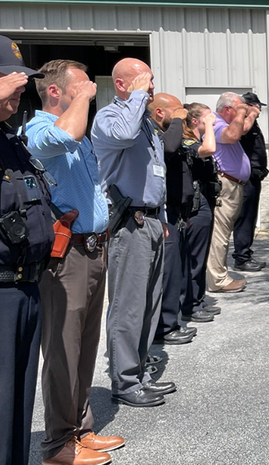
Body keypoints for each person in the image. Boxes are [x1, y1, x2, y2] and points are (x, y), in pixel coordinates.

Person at [25, 60, 122, 465]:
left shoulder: (77, 133)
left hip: (93, 248)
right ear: (55, 92)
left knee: (83, 347)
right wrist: (81, 98)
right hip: (67, 257)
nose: (90, 93)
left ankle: (80, 429)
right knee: (63, 349)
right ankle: (57, 445)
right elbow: (65, 136)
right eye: (80, 87)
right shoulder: (39, 129)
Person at [91, 58, 175, 408]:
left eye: (151, 82)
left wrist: (164, 217)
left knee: (148, 305)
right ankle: (124, 381)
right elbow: (122, 136)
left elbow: (157, 174)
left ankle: (138, 373)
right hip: (130, 223)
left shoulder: (144, 125)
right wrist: (137, 97)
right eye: (145, 81)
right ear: (123, 85)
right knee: (128, 305)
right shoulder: (110, 118)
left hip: (152, 222)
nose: (151, 88)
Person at [0, 41, 55, 465]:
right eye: (8, 77)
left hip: (26, 288)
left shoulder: (11, 140)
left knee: (17, 402)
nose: (20, 87)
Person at [150, 93, 206, 347]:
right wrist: (177, 121)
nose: (182, 115)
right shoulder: (162, 136)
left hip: (180, 212)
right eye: (177, 111)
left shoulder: (173, 135)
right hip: (165, 212)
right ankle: (164, 327)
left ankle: (172, 321)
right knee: (168, 272)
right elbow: (168, 148)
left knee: (177, 269)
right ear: (161, 113)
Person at [207, 92, 258, 293]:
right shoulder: (216, 124)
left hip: (234, 185)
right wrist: (245, 112)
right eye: (238, 110)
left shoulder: (225, 123)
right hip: (225, 185)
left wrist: (249, 114)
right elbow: (234, 135)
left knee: (224, 232)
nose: (242, 115)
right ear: (228, 109)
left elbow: (241, 129)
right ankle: (218, 280)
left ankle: (219, 275)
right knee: (219, 235)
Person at [180, 103, 222, 322]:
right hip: (196, 206)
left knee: (201, 254)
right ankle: (190, 305)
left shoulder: (197, 141)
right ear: (195, 121)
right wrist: (209, 126)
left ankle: (198, 299)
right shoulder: (188, 142)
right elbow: (209, 150)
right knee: (194, 256)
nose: (213, 121)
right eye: (208, 118)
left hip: (206, 199)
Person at [232, 92, 269, 272]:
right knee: (244, 218)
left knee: (250, 217)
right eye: (257, 106)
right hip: (246, 178)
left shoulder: (251, 121)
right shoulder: (244, 121)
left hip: (254, 177)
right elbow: (243, 130)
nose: (259, 110)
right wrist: (251, 113)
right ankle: (241, 258)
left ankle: (245, 253)